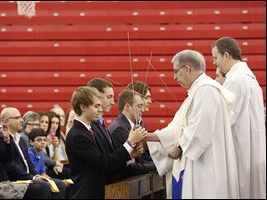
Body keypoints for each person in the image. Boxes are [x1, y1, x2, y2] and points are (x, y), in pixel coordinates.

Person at [145, 49, 239, 198]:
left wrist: (180, 147)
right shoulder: (199, 90)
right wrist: (148, 137)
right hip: (203, 161)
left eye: (176, 71)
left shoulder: (206, 90)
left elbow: (200, 129)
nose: (174, 77)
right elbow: (180, 127)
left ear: (187, 69)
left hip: (207, 165)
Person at [65, 86, 147, 198]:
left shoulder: (90, 130)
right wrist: (129, 142)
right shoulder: (78, 136)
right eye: (96, 106)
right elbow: (105, 163)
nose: (100, 109)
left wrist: (130, 154)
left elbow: (110, 159)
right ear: (83, 107)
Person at [212, 37, 266, 199]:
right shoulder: (250, 78)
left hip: (240, 151)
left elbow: (225, 120)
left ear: (226, 55)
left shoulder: (235, 80)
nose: (214, 63)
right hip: (252, 150)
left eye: (216, 57)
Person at [0, 111, 48, 199]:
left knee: (44, 186)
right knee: (40, 188)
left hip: (5, 183)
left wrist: (7, 140)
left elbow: (9, 159)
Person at [0, 107, 66, 199]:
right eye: (17, 118)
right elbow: (11, 165)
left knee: (61, 184)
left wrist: (36, 175)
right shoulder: (3, 139)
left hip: (28, 177)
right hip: (16, 179)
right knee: (44, 186)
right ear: (7, 121)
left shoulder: (20, 139)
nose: (21, 120)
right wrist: (33, 178)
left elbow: (28, 162)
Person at [109, 89, 156, 178]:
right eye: (139, 106)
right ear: (127, 107)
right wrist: (158, 166)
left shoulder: (127, 125)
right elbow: (128, 166)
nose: (142, 110)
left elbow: (141, 159)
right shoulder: (120, 129)